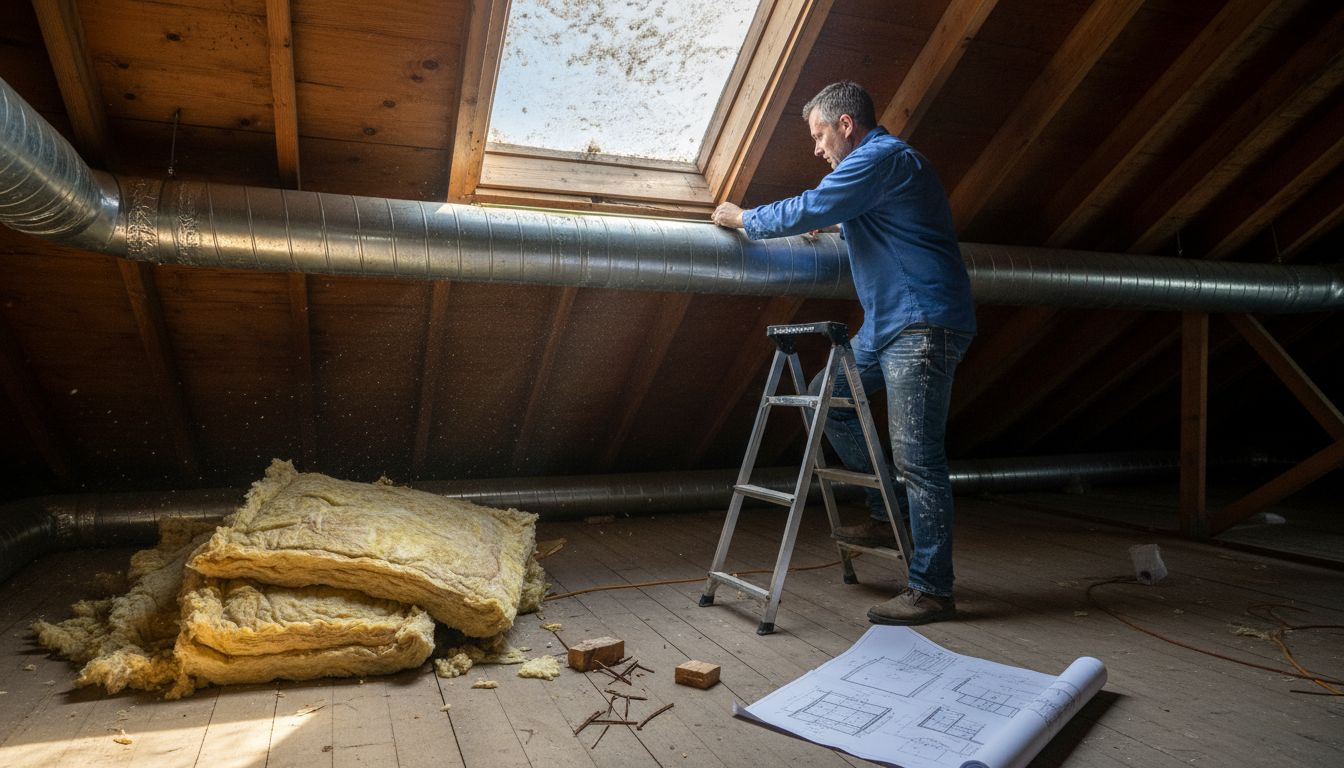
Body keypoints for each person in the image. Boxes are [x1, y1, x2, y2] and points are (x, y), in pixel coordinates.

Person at [711, 81, 975, 626]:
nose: (817, 148)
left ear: (846, 125)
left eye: (819, 134)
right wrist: (836, 223)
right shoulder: (880, 171)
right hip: (887, 325)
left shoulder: (882, 157)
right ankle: (886, 513)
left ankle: (932, 588)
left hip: (921, 323)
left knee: (919, 460)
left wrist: (742, 219)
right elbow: (852, 214)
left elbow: (811, 205)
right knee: (824, 398)